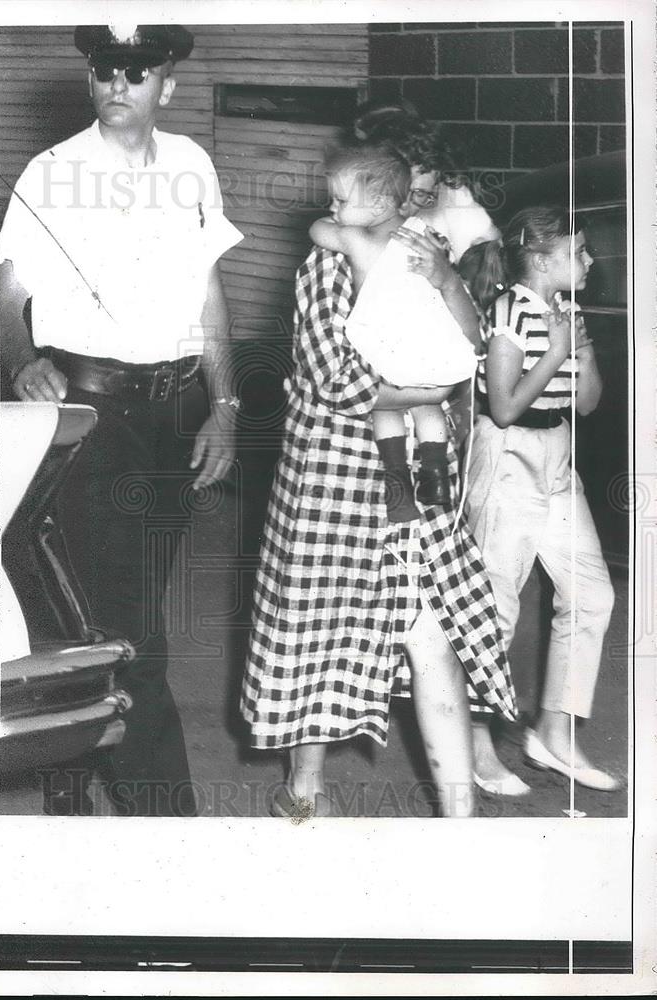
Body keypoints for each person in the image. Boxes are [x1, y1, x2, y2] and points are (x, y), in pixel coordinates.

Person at [0, 24, 243, 816]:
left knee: (122, 611)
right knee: (132, 630)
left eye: (137, 71)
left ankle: (76, 780)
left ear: (166, 86)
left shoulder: (192, 166)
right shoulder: (51, 171)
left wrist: (227, 410)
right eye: (106, 68)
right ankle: (167, 823)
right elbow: (8, 287)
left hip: (175, 413)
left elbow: (208, 295)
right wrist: (21, 357)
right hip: (92, 412)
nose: (118, 82)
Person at [241, 133, 519, 820]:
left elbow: (473, 347)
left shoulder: (426, 259)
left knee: (434, 639)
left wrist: (447, 287)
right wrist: (424, 392)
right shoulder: (325, 268)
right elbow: (338, 383)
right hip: (331, 479)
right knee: (317, 633)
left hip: (413, 490)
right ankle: (304, 790)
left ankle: (461, 819)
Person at [461, 207, 619, 794]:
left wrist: (581, 349)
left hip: (556, 456)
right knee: (495, 609)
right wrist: (554, 353)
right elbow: (502, 406)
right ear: (543, 257)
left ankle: (553, 733)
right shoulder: (507, 311)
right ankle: (475, 746)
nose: (588, 261)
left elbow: (588, 404)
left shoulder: (565, 312)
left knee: (592, 595)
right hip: (507, 458)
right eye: (577, 252)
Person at [308, 139, 477, 519]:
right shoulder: (428, 237)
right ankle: (434, 472)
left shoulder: (356, 239)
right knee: (427, 402)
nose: (332, 209)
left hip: (389, 356)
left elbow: (318, 232)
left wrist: (324, 221)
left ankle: (398, 482)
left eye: (340, 201)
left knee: (386, 412)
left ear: (381, 204)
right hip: (437, 355)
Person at [352, 101, 500, 263]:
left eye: (419, 193)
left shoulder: (451, 193)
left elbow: (491, 249)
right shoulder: (354, 211)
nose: (404, 203)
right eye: (398, 188)